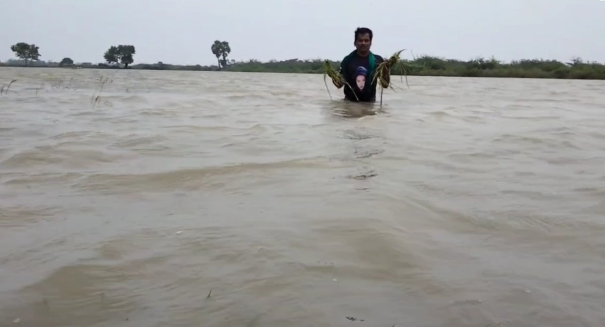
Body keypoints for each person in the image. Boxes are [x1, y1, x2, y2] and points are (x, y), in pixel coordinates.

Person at [331, 27, 391, 102]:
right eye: (360, 40)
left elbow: (385, 85)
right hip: (350, 104)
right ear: (355, 43)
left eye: (366, 40)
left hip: (370, 104)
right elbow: (339, 85)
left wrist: (386, 70)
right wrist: (333, 75)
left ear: (371, 43)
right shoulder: (347, 60)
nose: (363, 43)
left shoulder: (378, 60)